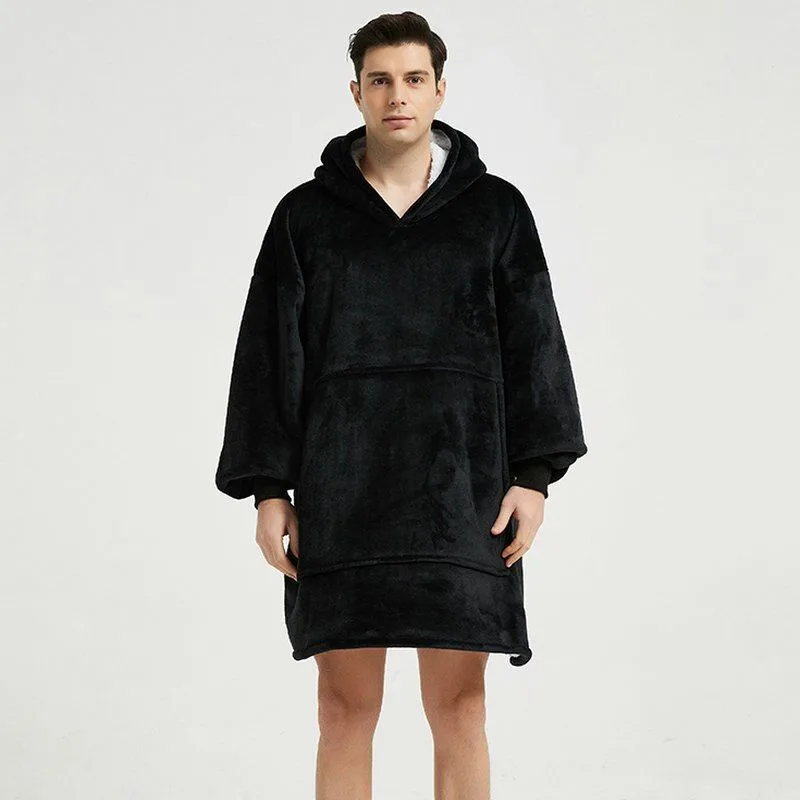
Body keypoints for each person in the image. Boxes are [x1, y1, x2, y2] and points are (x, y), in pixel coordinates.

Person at [214, 11, 588, 799]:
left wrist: (534, 478)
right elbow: (268, 358)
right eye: (380, 80)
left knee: (462, 706)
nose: (398, 96)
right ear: (355, 92)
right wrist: (270, 489)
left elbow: (536, 348)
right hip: (342, 495)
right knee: (343, 709)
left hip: (464, 497)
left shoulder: (495, 211)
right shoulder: (305, 218)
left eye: (414, 79)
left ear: (440, 90)